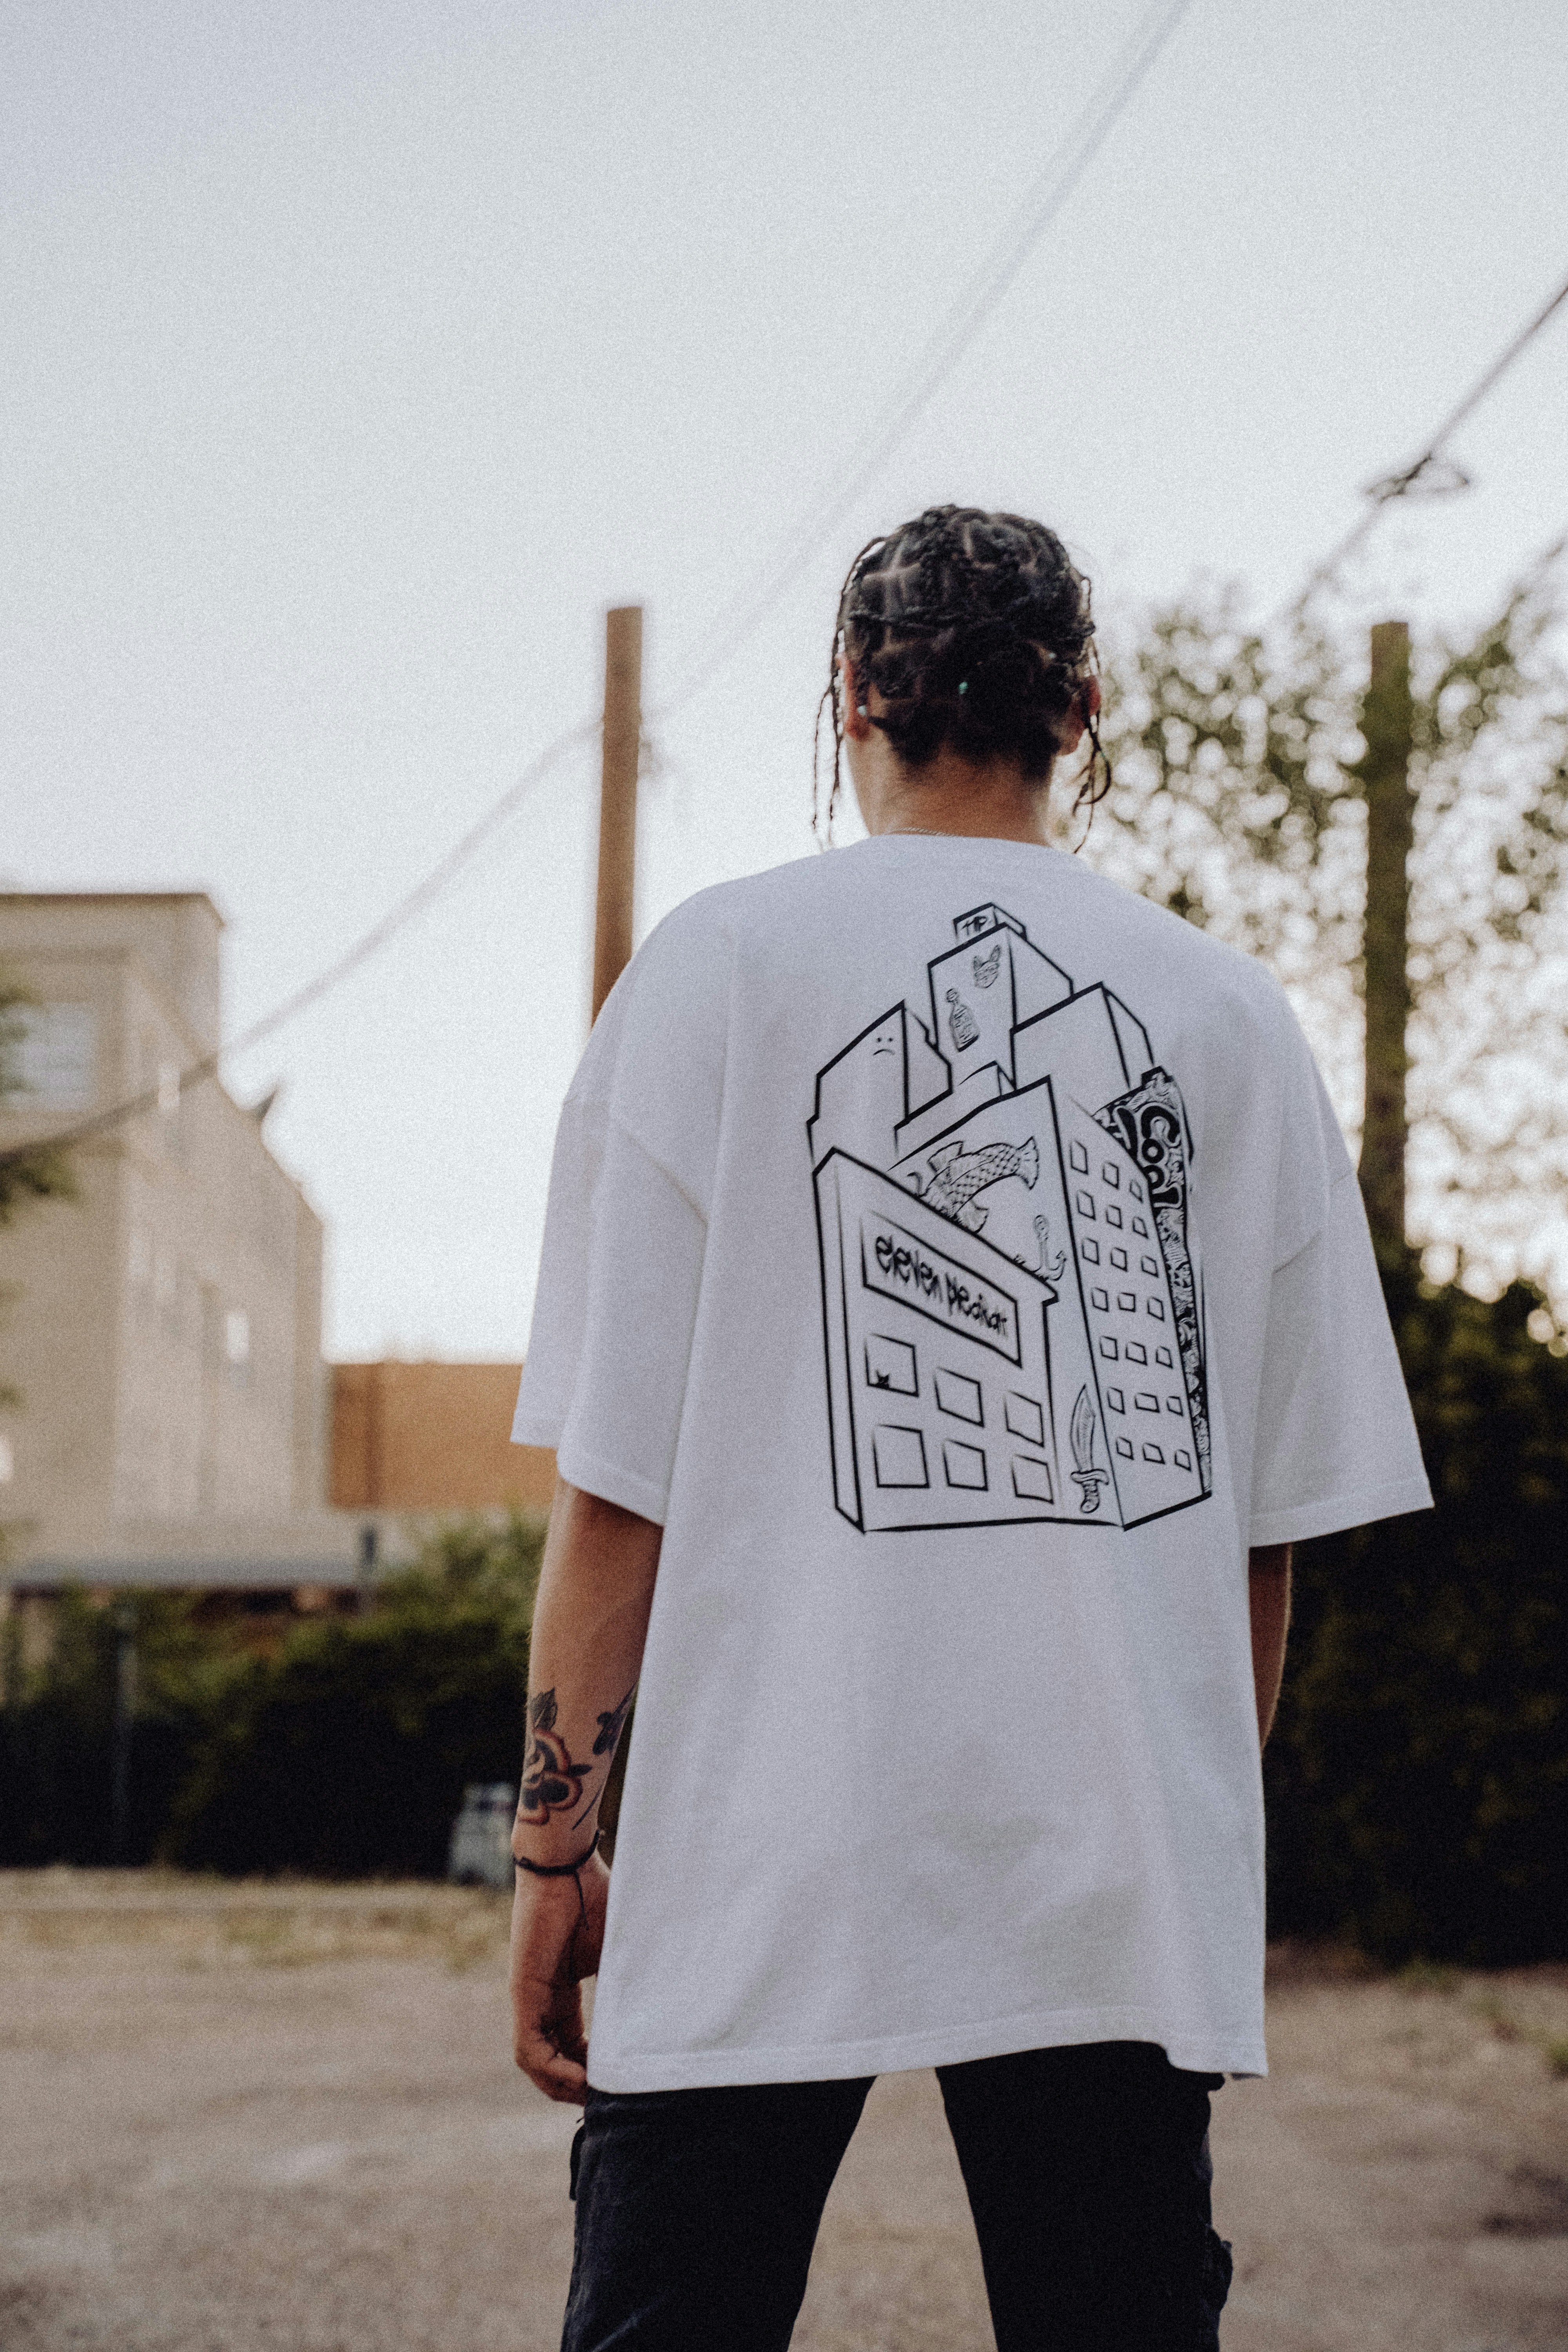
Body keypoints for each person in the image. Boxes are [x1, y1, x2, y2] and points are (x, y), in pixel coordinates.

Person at [508, 505, 1430, 2351]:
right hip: (1108, 1875)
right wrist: (1197, 1849)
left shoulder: (710, 968)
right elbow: (1262, 1534)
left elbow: (621, 1497)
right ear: (1083, 706)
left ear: (850, 691)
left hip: (758, 1855)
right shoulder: (1229, 1018)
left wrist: (552, 1856)